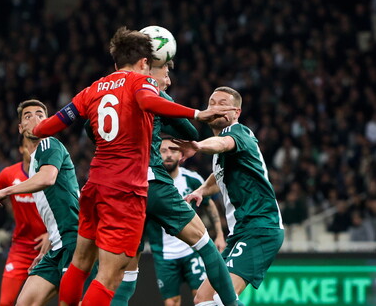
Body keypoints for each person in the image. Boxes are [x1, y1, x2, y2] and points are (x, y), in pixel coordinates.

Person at [32, 27, 239, 306]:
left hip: (95, 186)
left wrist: (37, 127)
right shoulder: (142, 84)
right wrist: (197, 113)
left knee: (81, 263)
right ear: (144, 63)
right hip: (127, 190)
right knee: (109, 275)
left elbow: (51, 125)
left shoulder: (93, 89)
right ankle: (232, 302)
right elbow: (149, 102)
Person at [172, 86, 284, 306]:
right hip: (240, 232)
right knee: (203, 299)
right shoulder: (223, 153)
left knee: (223, 298)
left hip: (260, 227)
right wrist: (202, 190)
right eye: (212, 103)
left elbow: (222, 144)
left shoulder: (237, 133)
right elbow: (218, 176)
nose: (216, 107)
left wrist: (199, 146)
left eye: (223, 104)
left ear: (237, 112)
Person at [0, 99, 80, 306]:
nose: (35, 118)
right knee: (25, 303)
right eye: (28, 116)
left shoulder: (49, 143)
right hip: (57, 245)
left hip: (73, 241)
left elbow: (48, 178)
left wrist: (6, 191)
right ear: (20, 128)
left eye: (40, 114)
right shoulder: (34, 162)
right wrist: (50, 238)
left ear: (48, 121)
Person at [0, 135, 48, 306]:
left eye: (36, 146)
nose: (33, 151)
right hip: (21, 248)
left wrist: (50, 234)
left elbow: (71, 207)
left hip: (51, 249)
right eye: (28, 147)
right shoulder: (9, 174)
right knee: (5, 302)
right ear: (20, 149)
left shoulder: (50, 175)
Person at [144, 137, 226, 306]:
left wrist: (219, 235)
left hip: (192, 250)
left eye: (173, 150)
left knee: (202, 296)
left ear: (181, 154)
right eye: (163, 151)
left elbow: (208, 205)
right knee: (171, 302)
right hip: (164, 254)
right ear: (156, 155)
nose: (168, 155)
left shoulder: (192, 179)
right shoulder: (148, 184)